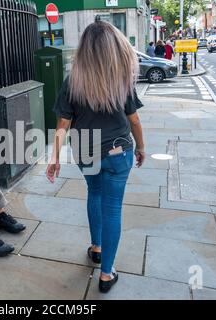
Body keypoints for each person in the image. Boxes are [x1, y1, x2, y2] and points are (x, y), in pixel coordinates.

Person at [46, 21, 145, 294]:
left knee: (94, 194)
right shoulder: (122, 78)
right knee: (112, 208)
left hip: (86, 152)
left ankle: (97, 248)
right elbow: (134, 120)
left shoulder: (72, 81)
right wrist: (141, 147)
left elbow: (63, 125)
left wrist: (54, 158)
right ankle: (106, 273)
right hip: (118, 151)